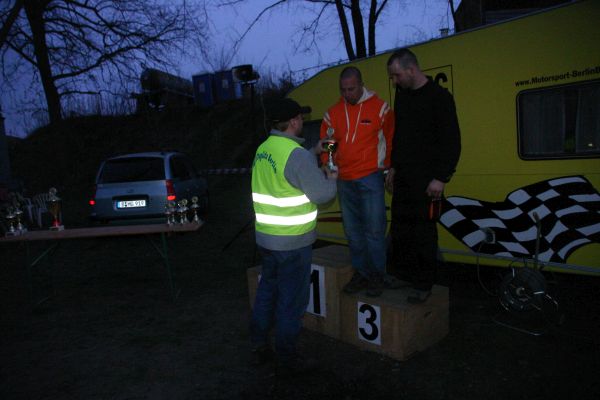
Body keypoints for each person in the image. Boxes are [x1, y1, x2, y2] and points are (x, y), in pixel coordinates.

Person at [250, 98, 338, 375]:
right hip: (292, 243)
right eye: (300, 118)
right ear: (293, 121)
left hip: (267, 240)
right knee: (291, 301)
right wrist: (331, 176)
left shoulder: (264, 149)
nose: (302, 121)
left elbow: (287, 172)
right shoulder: (297, 155)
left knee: (267, 293)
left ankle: (259, 345)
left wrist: (313, 151)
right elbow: (323, 195)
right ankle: (287, 357)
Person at [386, 48, 461, 304]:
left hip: (428, 181)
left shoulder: (440, 98)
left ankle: (423, 283)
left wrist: (441, 178)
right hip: (404, 177)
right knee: (400, 228)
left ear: (411, 69)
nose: (394, 81)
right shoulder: (402, 96)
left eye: (396, 75)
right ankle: (402, 275)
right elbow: (400, 136)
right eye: (392, 77)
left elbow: (452, 142)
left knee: (423, 233)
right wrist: (393, 167)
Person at [320, 66, 399, 297]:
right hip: (344, 180)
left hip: (370, 177)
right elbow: (329, 142)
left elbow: (391, 140)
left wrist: (390, 168)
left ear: (362, 85)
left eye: (351, 89)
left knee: (374, 231)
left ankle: (377, 276)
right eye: (343, 90)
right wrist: (329, 163)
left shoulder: (381, 108)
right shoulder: (333, 113)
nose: (347, 94)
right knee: (353, 233)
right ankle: (362, 273)